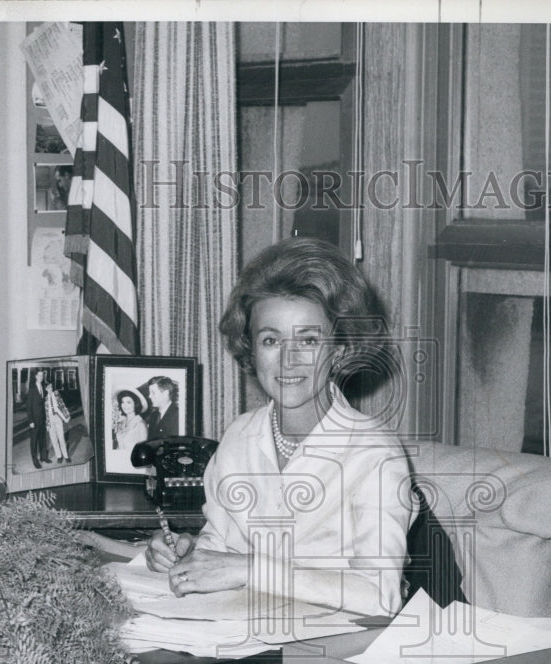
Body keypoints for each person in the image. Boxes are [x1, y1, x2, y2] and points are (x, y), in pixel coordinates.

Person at [145, 237, 413, 619]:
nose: (288, 360)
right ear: (251, 349)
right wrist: (187, 552)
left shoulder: (376, 456)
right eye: (271, 340)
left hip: (337, 653)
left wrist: (248, 570)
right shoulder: (239, 436)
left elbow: (380, 595)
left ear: (339, 350)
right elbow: (220, 543)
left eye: (308, 340)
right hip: (240, 634)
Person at [112, 389, 149, 464]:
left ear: (136, 404)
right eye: (122, 402)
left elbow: (142, 452)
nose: (125, 405)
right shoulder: (121, 423)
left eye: (129, 402)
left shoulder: (141, 424)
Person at [26, 368, 50, 469]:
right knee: (34, 441)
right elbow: (29, 407)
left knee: (43, 439)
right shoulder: (31, 390)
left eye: (42, 376)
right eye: (39, 376)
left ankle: (43, 457)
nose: (41, 377)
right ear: (36, 376)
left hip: (43, 418)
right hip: (34, 420)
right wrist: (31, 420)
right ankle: (35, 461)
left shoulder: (44, 388)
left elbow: (44, 402)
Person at [45, 380, 71, 463]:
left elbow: (62, 405)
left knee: (61, 437)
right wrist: (47, 424)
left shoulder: (56, 394)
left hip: (57, 417)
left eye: (51, 386)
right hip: (50, 418)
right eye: (49, 387)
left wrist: (66, 415)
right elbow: (46, 412)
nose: (51, 388)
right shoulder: (45, 399)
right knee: (53, 439)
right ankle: (59, 456)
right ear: (46, 388)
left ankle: (66, 456)